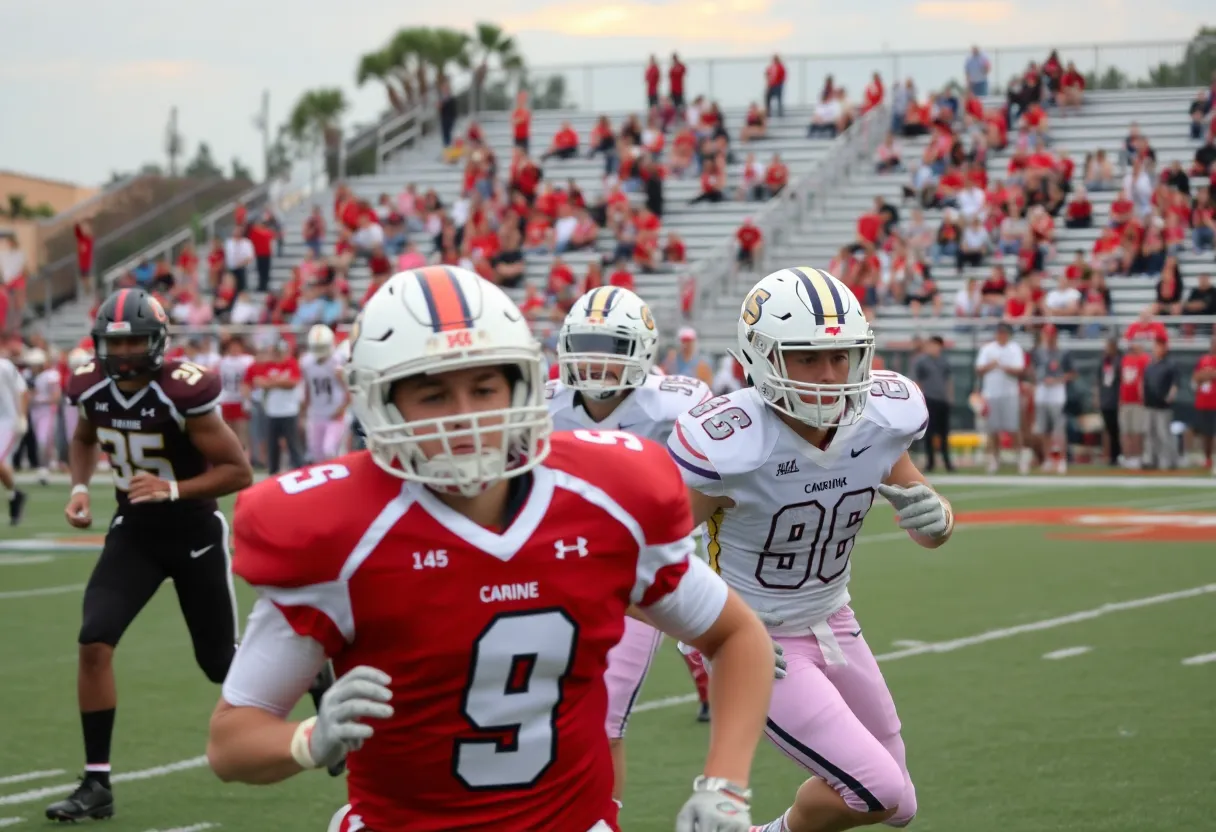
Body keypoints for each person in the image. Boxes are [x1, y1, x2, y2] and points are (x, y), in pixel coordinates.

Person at [206, 266, 776, 832]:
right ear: (380, 402)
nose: (466, 417)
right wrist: (308, 739)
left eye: (483, 388)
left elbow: (736, 635)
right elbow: (232, 740)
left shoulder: (605, 498)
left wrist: (724, 785)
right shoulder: (337, 530)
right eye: (433, 393)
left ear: (522, 386)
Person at [668, 267, 955, 832]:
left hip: (834, 618)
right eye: (806, 358)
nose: (829, 375)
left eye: (840, 356)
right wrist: (712, 633)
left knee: (900, 806)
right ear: (762, 359)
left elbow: (919, 517)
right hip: (758, 636)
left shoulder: (880, 420)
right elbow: (656, 552)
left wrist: (938, 518)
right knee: (874, 790)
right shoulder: (733, 442)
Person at [45, 288, 255, 822]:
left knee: (220, 666)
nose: (123, 353)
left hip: (193, 531)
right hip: (134, 530)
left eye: (135, 341)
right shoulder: (92, 386)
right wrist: (77, 488)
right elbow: (84, 437)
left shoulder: (182, 392)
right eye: (114, 343)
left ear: (158, 341)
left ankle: (313, 674)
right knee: (94, 639)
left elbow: (238, 470)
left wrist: (174, 490)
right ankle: (97, 783)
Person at [550, 286, 718, 802]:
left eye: (611, 346)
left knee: (606, 717)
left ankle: (602, 816)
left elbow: (721, 480)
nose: (596, 360)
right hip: (561, 570)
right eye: (585, 345)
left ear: (642, 351)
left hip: (646, 569)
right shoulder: (543, 403)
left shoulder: (677, 402)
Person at [974, 322, 1028, 473]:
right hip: (991, 394)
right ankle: (994, 460)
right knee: (993, 429)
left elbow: (1019, 369)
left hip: (1009, 393)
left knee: (1013, 428)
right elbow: (979, 369)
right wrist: (993, 365)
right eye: (999, 333)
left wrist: (1003, 366)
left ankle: (1020, 458)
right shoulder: (988, 349)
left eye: (1004, 333)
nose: (1001, 335)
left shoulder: (1014, 348)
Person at [1029, 324, 1076, 474]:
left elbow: (1072, 373)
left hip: (1057, 391)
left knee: (1058, 430)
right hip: (1042, 391)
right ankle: (1049, 458)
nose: (1048, 338)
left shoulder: (1063, 353)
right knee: (1044, 430)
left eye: (1051, 335)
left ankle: (1060, 459)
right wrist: (1035, 379)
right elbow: (1031, 370)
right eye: (1046, 335)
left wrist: (1057, 380)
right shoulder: (1038, 352)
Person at [300, 324, 350, 463]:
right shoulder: (306, 362)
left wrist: (341, 409)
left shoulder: (338, 361)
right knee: (316, 454)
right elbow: (308, 388)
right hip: (316, 413)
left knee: (330, 450)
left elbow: (349, 389)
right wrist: (304, 410)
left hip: (335, 413)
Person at [909, 335, 953, 471]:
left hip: (942, 400)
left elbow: (948, 381)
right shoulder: (922, 361)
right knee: (930, 433)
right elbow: (917, 380)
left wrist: (949, 397)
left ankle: (947, 462)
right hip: (929, 399)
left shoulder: (944, 362)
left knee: (944, 433)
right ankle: (930, 462)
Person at [0, 340, 29, 523]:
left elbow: (22, 391)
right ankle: (14, 495)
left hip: (8, 421)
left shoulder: (4, 366)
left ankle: (14, 494)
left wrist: (22, 416)